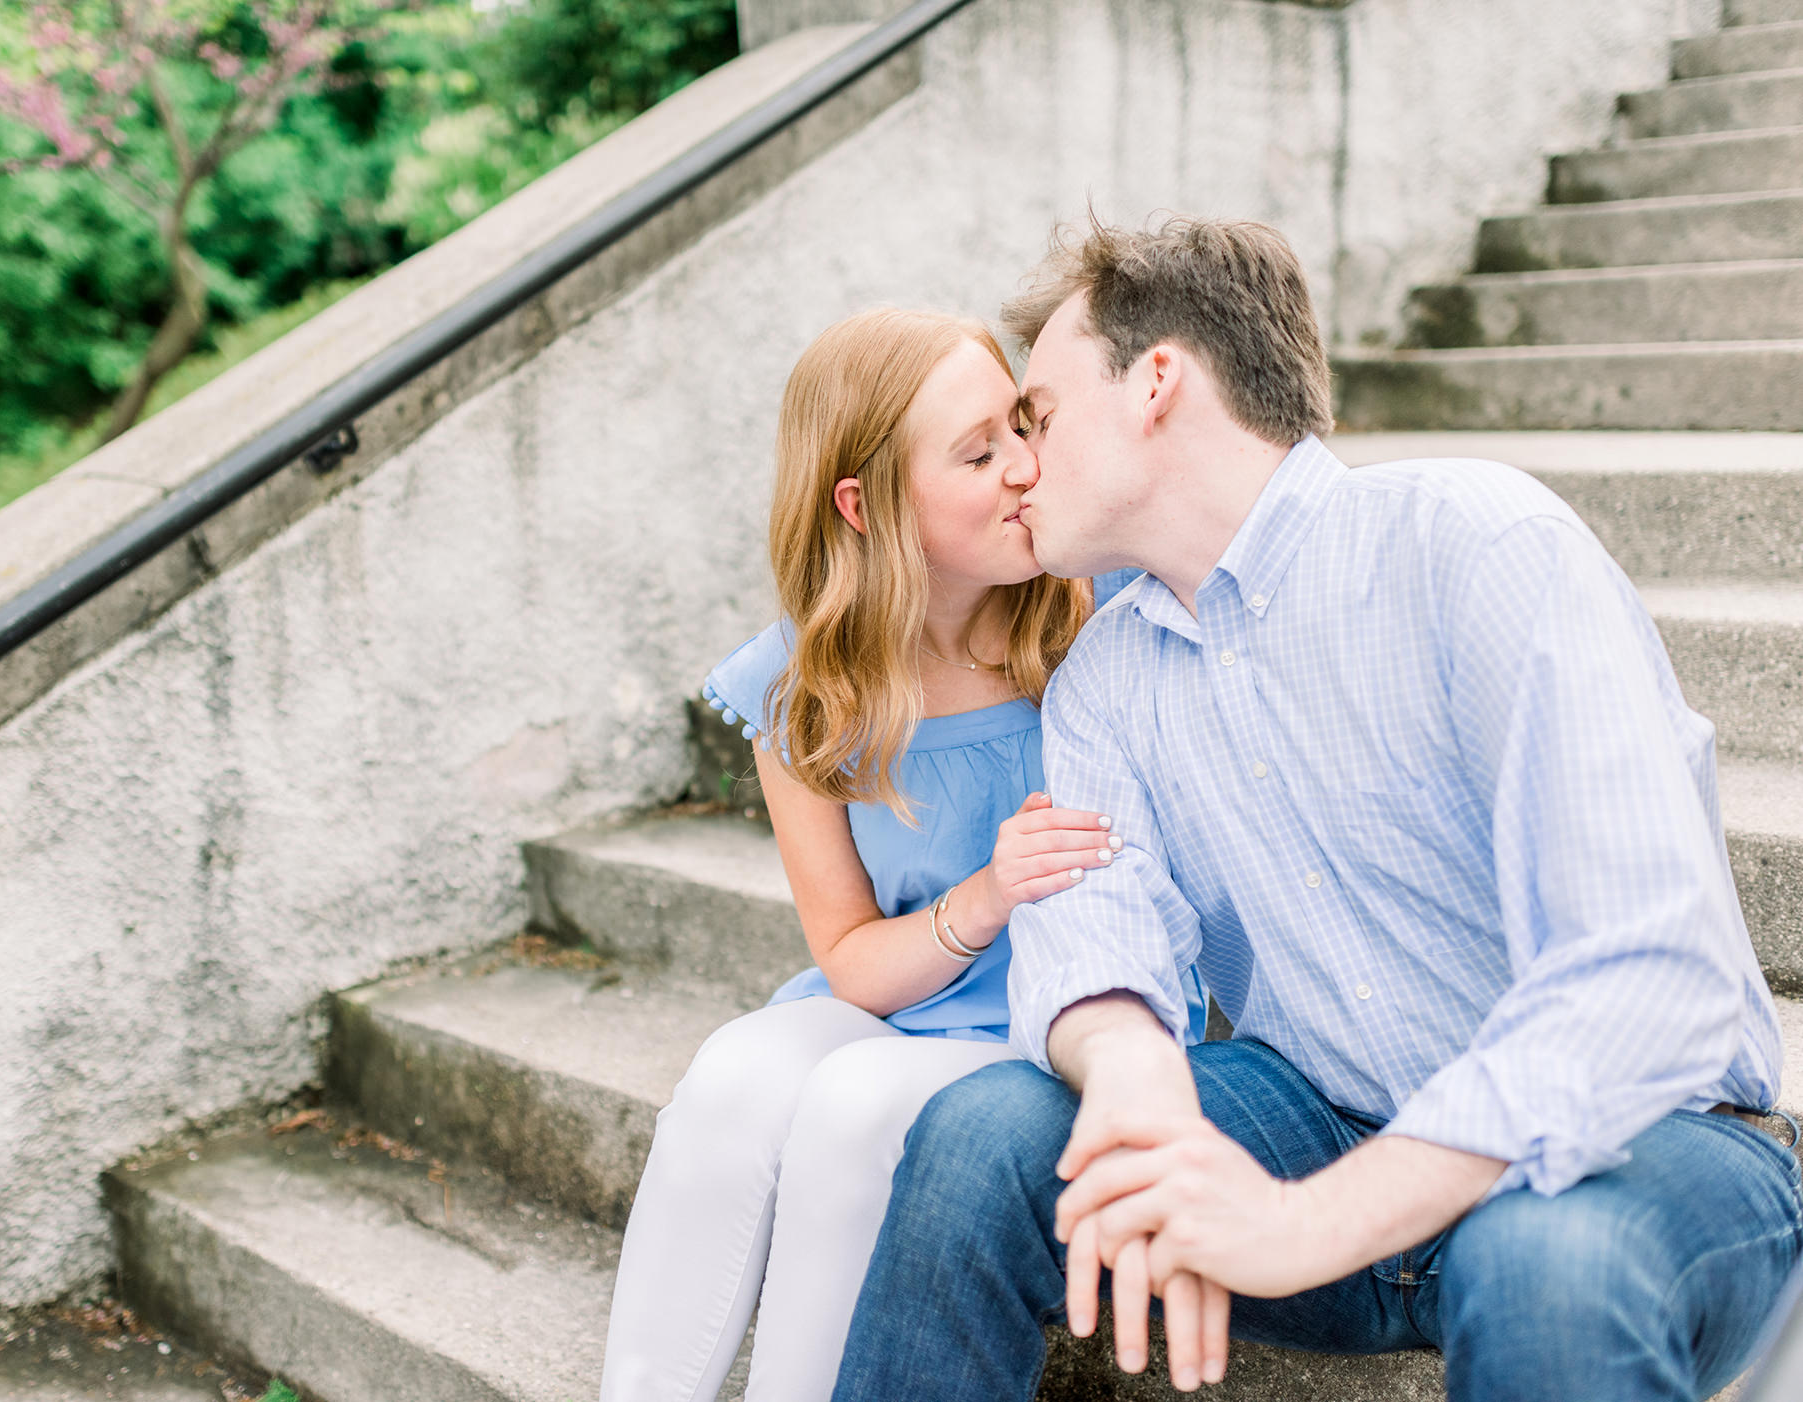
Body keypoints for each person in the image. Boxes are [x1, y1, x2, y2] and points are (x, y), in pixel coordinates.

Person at [832, 217, 1801, 1402]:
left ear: (1156, 383)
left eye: (1035, 415)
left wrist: (1307, 1224)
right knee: (985, 1135)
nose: (1020, 463)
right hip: (1324, 1119)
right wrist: (1144, 1100)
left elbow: (1647, 975)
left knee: (1541, 1256)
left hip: (1648, 1146)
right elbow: (1095, 938)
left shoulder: (1478, 544)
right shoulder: (1103, 679)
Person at [597, 307, 1208, 1402]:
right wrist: (984, 895)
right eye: (980, 452)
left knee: (855, 1102)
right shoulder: (805, 686)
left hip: (1063, 1018)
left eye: (1023, 424)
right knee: (735, 1070)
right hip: (908, 995)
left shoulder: (1093, 606)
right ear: (863, 504)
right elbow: (852, 960)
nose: (1028, 466)